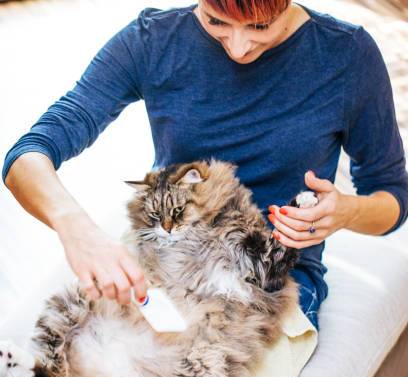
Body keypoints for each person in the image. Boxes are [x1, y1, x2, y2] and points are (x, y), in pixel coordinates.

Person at [3, 0, 407, 331]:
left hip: (270, 280)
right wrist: (77, 230)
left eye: (261, 26)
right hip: (167, 259)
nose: (238, 47)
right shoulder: (154, 41)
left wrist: (348, 211)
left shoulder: (346, 56)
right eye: (217, 21)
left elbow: (393, 197)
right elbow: (29, 152)